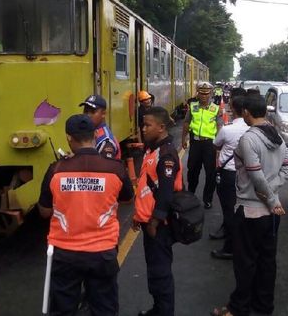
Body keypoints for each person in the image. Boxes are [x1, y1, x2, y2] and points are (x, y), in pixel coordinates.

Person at [37, 114, 134, 316]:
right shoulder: (115, 168)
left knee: (63, 308)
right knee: (104, 308)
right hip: (103, 252)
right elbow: (126, 199)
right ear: (94, 135)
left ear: (69, 138)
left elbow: (45, 211)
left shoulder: (56, 169)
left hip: (65, 252)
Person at [211, 95, 288, 316]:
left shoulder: (249, 139)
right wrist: (273, 197)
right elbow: (287, 170)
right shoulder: (277, 137)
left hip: (250, 210)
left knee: (245, 262)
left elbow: (256, 177)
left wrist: (272, 200)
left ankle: (238, 309)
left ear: (246, 112)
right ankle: (264, 306)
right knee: (267, 262)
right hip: (272, 216)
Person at [132, 107, 183, 316]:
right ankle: (159, 309)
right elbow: (146, 185)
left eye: (148, 125)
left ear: (161, 127)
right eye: (143, 125)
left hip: (159, 225)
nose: (143, 129)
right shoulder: (152, 149)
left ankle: (164, 312)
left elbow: (165, 191)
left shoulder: (166, 154)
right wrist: (138, 216)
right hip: (148, 220)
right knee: (154, 270)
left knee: (160, 272)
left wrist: (155, 220)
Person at [209, 95, 249, 260]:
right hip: (247, 174)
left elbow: (216, 144)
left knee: (229, 211)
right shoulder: (251, 128)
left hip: (229, 174)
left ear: (233, 109)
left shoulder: (227, 129)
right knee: (241, 209)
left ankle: (230, 248)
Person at [181, 82, 222, 209]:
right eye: (201, 93)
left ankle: (207, 199)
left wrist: (219, 145)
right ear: (198, 93)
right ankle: (191, 195)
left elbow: (220, 126)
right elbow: (187, 122)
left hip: (210, 144)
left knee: (211, 173)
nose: (204, 96)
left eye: (207, 93)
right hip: (195, 143)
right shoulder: (193, 107)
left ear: (210, 94)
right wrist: (184, 137)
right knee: (192, 170)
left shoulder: (216, 108)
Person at [80, 94, 122, 160]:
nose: (88, 115)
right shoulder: (92, 132)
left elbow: (105, 168)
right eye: (86, 111)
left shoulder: (105, 141)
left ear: (103, 114)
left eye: (92, 112)